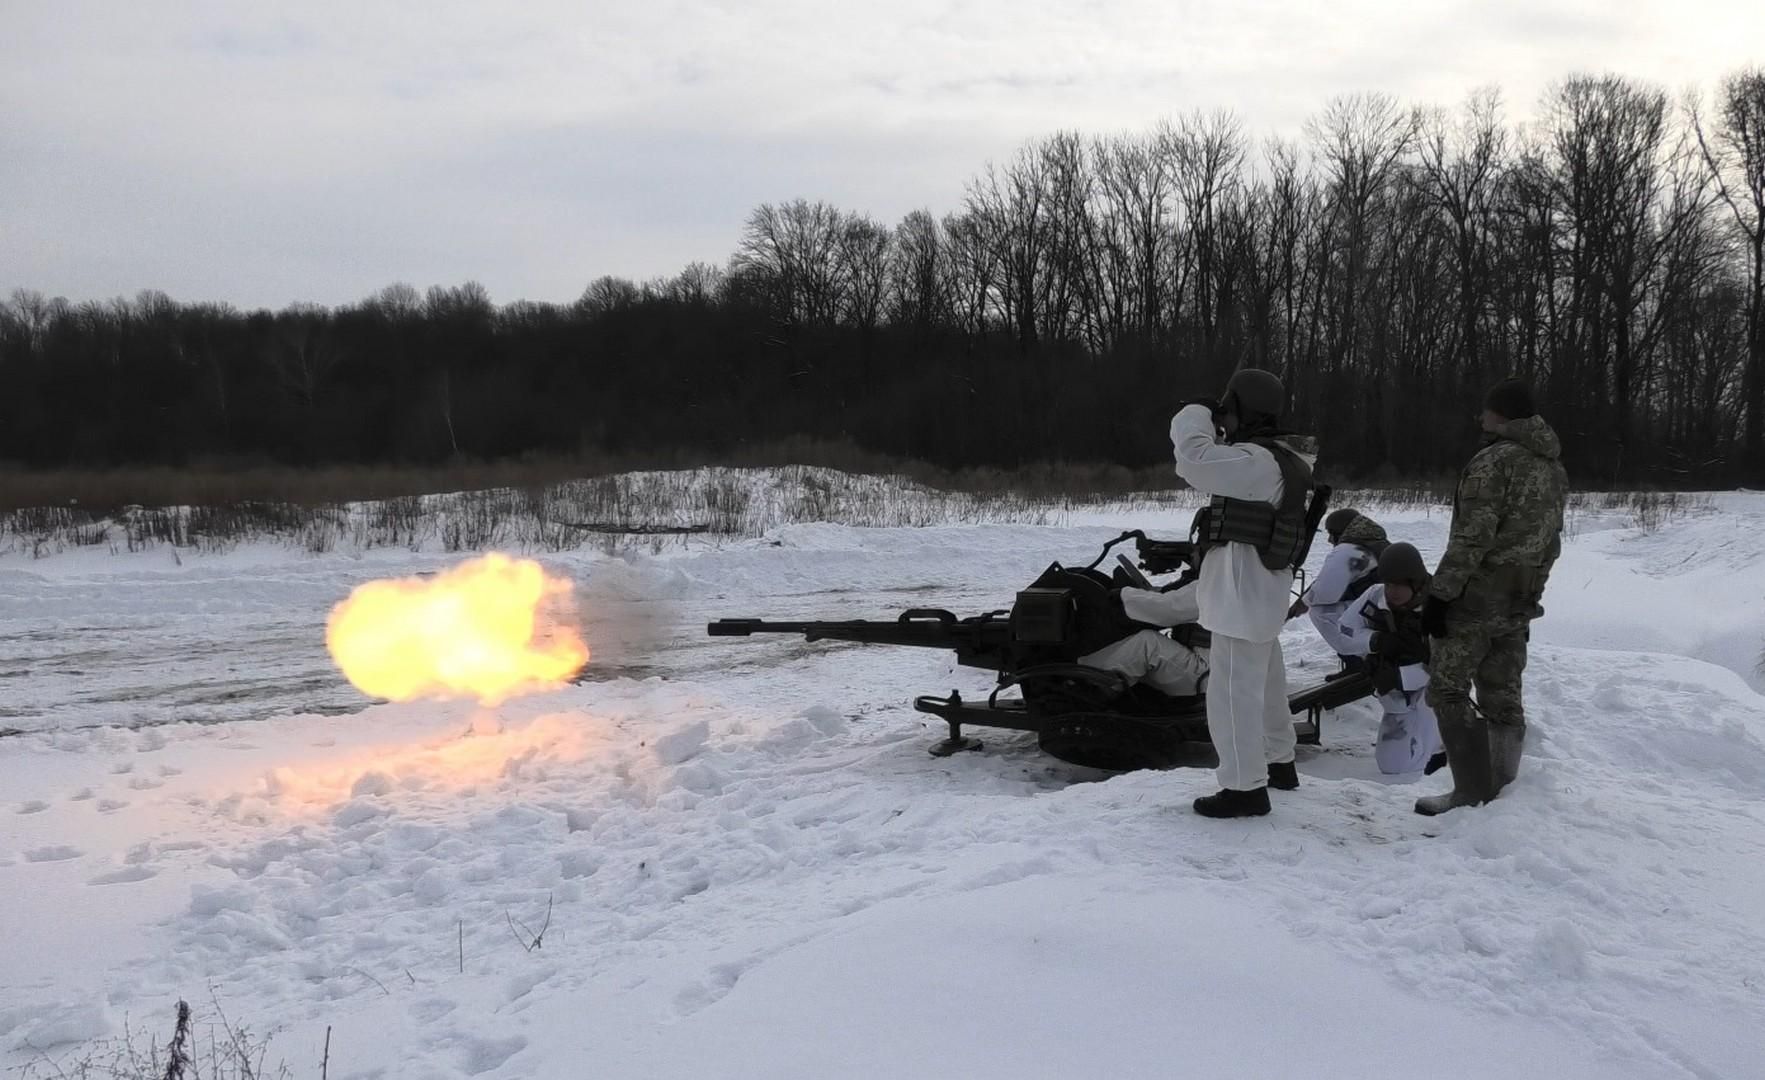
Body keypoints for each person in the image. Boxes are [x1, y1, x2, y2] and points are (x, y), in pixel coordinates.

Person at [1170, 369, 1319, 818]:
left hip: (1241, 594)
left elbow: (1193, 459)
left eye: (1229, 411)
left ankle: (1243, 787)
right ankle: (1279, 761)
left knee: (1231, 691)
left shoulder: (1259, 462)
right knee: (1268, 680)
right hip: (1258, 590)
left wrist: (1195, 412)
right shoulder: (1283, 459)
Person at [1415, 377, 1568, 816]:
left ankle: (1468, 792)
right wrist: (1532, 588)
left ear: (1498, 414)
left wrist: (1440, 596)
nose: (1479, 418)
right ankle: (1501, 793)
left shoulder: (1494, 461)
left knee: (1447, 689)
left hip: (1476, 597)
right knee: (1503, 693)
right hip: (1519, 598)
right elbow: (1551, 540)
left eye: (1484, 411)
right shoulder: (1552, 467)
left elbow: (1472, 537)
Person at [1334, 543, 1445, 775]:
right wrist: (1376, 641)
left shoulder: (1440, 603)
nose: (1392, 591)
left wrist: (1407, 673)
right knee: (1392, 765)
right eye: (1389, 584)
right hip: (1394, 691)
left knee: (1431, 750)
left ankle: (1445, 747)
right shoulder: (1375, 595)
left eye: (1400, 585)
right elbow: (1344, 630)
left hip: (1434, 690)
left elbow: (1454, 662)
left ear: (1416, 583)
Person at [1288, 508, 1389, 663]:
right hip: (1386, 610)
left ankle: (1356, 659)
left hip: (1378, 615)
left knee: (1319, 612)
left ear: (1340, 532)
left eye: (1331, 533)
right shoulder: (1371, 542)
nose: (1329, 539)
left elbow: (1326, 592)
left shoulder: (1347, 550)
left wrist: (1304, 602)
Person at [1078, 583, 1209, 698]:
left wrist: (1123, 596)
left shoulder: (1217, 583)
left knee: (1148, 645)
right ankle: (1083, 671)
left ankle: (1089, 684)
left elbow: (1168, 609)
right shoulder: (1224, 579)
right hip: (1218, 669)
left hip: (1206, 675)